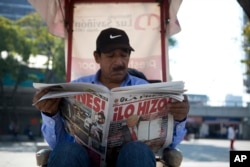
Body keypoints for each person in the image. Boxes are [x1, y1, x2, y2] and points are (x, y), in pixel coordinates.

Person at [32, 27, 190, 167]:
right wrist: (49, 114)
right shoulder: (75, 87)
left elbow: (170, 145)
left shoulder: (145, 87)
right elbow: (56, 144)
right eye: (111, 56)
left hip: (130, 159)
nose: (119, 62)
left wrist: (180, 119)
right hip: (84, 160)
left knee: (138, 150)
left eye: (124, 55)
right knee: (66, 150)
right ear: (97, 57)